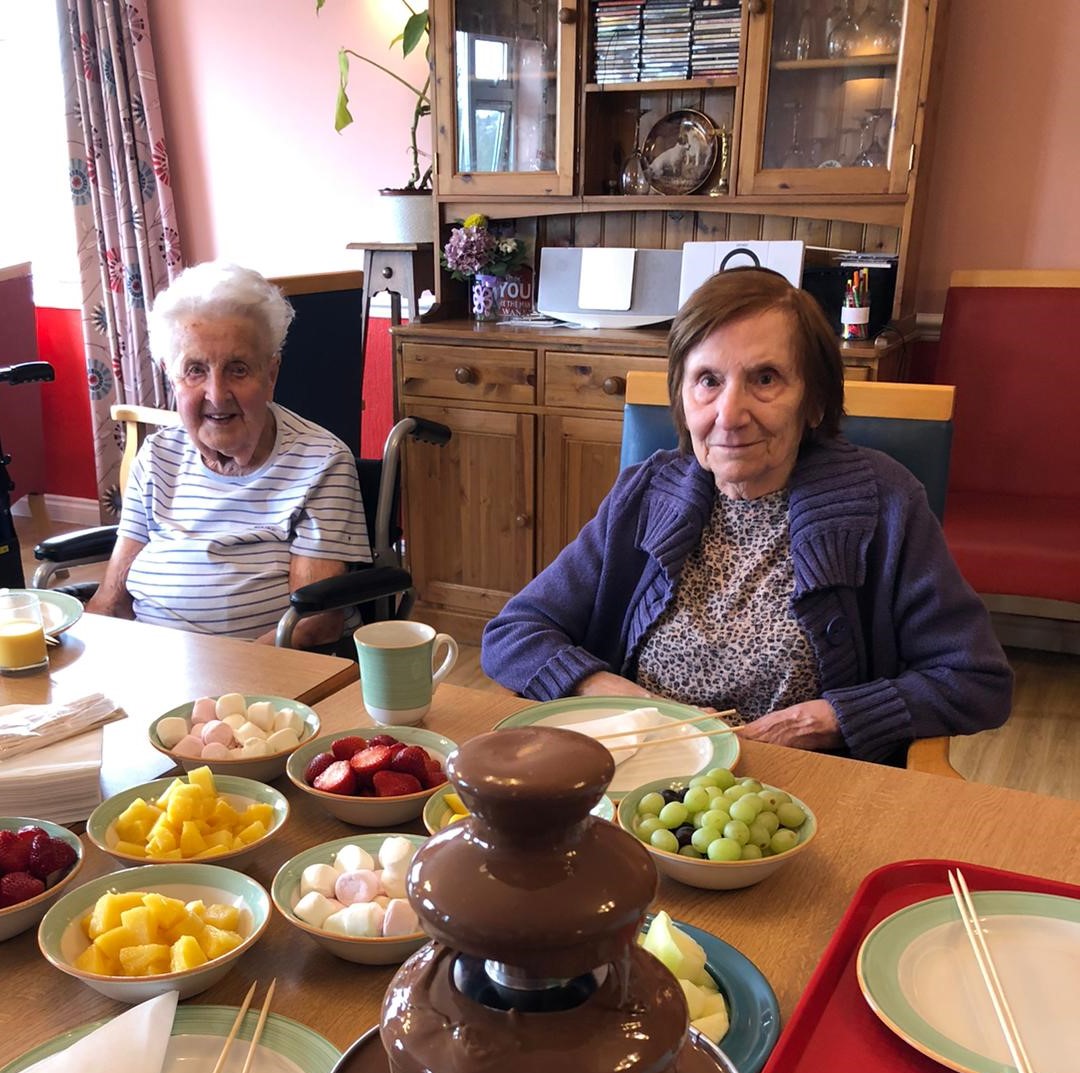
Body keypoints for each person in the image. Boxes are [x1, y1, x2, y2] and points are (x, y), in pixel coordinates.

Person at [482, 268, 1012, 764]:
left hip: (801, 788)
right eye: (708, 380)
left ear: (814, 402)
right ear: (682, 398)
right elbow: (514, 633)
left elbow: (975, 678)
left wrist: (830, 719)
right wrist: (620, 698)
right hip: (640, 772)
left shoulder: (886, 502)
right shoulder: (645, 494)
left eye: (765, 378)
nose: (730, 415)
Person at [87, 261, 369, 648]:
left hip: (266, 672)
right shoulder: (156, 458)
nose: (217, 395)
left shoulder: (321, 462)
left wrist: (224, 676)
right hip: (154, 663)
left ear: (270, 375)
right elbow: (111, 600)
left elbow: (314, 624)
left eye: (238, 369)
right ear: (171, 376)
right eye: (195, 370)